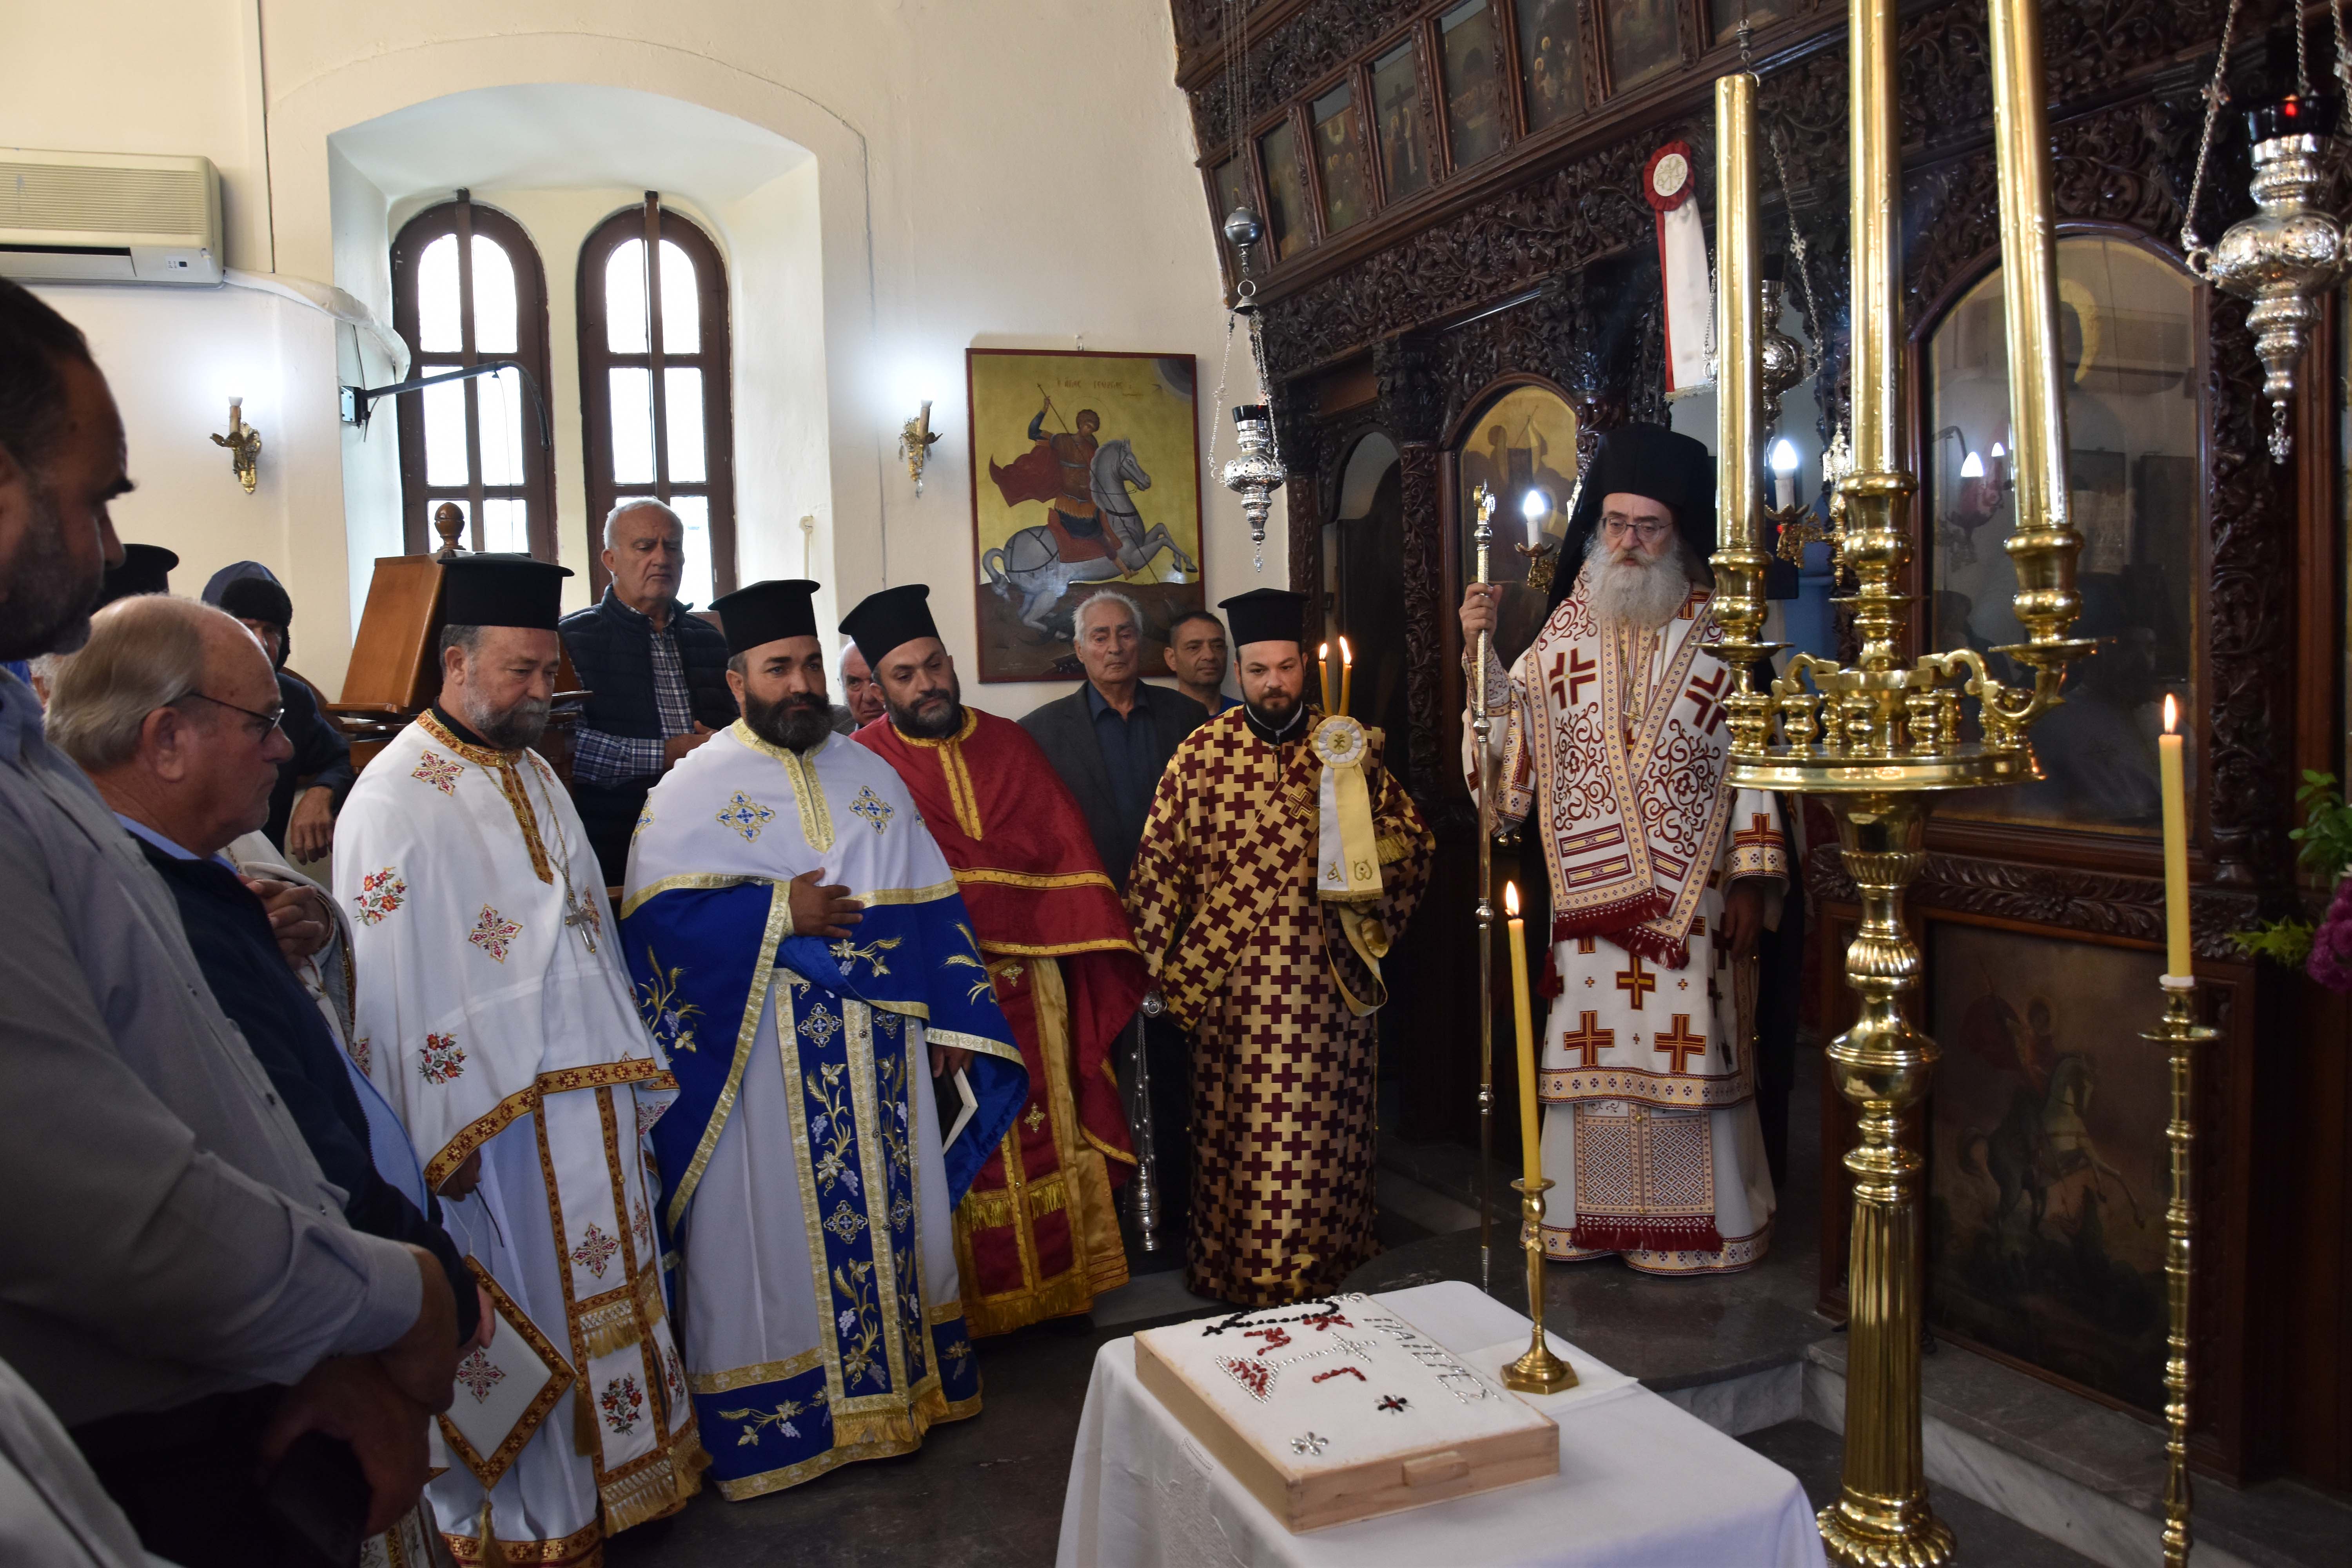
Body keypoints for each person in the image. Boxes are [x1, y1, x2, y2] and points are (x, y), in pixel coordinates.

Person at [0, 275, 462, 1564]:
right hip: (146, 1434)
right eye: (91, 499)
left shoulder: (29, 762)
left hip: (247, 1374)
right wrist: (392, 1296)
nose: (107, 548)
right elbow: (99, 1209)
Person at [47, 593, 486, 1567]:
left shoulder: (192, 868)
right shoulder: (141, 896)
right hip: (299, 1350)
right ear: (167, 739)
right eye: (264, 723)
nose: (288, 749)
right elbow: (271, 1137)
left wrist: (316, 929)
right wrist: (426, 1280)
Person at [621, 578, 1027, 1498]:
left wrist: (949, 1019)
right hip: (759, 1061)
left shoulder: (869, 774)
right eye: (779, 668)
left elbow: (929, 904)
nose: (801, 683)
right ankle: (782, 1421)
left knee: (892, 1219)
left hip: (881, 1052)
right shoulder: (690, 789)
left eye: (809, 664)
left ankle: (902, 1395)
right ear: (738, 681)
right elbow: (654, 927)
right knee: (763, 1232)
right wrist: (779, 911)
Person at [336, 553, 703, 1561]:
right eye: (520, 671)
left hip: (591, 1103)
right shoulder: (391, 797)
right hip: (490, 1126)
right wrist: (431, 1143)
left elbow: (589, 936)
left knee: (616, 1290)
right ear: (456, 663)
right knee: (527, 1306)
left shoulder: (538, 770)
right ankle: (542, 1518)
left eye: (549, 672)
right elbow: (387, 988)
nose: (542, 693)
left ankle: (632, 1481)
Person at [1460, 423, 1786, 1275]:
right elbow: (1510, 734)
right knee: (1593, 1056)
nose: (1630, 543)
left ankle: (1696, 1229)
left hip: (1696, 896)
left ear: (1678, 532)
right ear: (1596, 528)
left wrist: (1754, 879)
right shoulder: (1566, 627)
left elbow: (1757, 757)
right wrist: (1477, 653)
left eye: (1648, 526)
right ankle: (1589, 1218)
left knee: (1694, 1044)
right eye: (1615, 524)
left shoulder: (1728, 629)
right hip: (1589, 901)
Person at [1124, 588, 1434, 1305]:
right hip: (1234, 997)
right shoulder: (1201, 754)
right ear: (1238, 671)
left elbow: (1414, 844)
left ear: (1306, 667)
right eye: (1259, 670)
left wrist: (1358, 859)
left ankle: (1334, 1259)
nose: (1274, 684)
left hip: (1329, 984)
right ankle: (1239, 1267)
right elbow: (1159, 865)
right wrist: (1149, 966)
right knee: (1245, 1139)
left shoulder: (1345, 746)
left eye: (1287, 668)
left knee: (1323, 1137)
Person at [847, 584, 1144, 1333]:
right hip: (934, 996)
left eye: (935, 666)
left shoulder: (1010, 743)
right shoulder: (863, 766)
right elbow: (875, 895)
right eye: (905, 676)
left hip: (1033, 982)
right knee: (961, 1143)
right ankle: (971, 1313)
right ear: (878, 688)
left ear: (950, 662)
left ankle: (1062, 1288)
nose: (927, 684)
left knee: (1049, 1123)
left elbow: (1063, 855)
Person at [560, 499, 738, 884]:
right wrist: (669, 754)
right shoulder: (573, 639)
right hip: (619, 840)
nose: (662, 558)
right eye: (645, 547)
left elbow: (742, 727)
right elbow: (568, 748)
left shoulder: (710, 639)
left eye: (672, 547)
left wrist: (724, 744)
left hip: (713, 834)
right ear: (610, 559)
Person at [1021, 590, 1208, 891]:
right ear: (1079, 650)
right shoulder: (1040, 732)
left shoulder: (1188, 716)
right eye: (1100, 638)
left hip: (1179, 892)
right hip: (1091, 896)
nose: (1115, 648)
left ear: (1140, 642)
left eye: (1126, 635)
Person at [200, 567, 355, 862]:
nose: (261, 642)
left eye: (271, 630)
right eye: (247, 627)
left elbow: (342, 757)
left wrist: (322, 792)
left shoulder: (294, 698)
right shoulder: (184, 696)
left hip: (267, 870)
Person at [1163, 607, 1236, 714]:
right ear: (1172, 659)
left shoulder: (1246, 717)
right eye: (1194, 648)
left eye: (1218, 646)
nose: (1210, 656)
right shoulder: (1160, 719)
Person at [839, 636, 887, 727]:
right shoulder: (833, 731)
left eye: (877, 680)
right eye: (855, 683)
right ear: (842, 687)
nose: (869, 698)